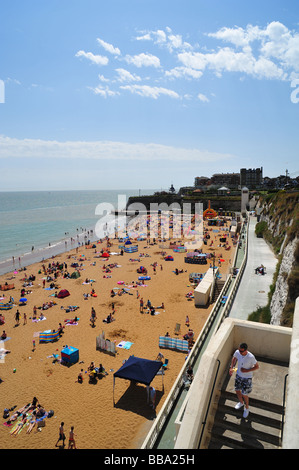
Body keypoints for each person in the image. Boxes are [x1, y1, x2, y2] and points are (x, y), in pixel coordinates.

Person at [229, 342, 259, 418]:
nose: (240, 352)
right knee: (237, 390)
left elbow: (257, 366)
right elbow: (234, 358)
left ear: (246, 350)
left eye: (241, 351)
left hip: (247, 378)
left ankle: (247, 408)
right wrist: (231, 367)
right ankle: (241, 403)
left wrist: (246, 370)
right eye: (239, 350)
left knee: (244, 394)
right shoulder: (237, 352)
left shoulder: (251, 357)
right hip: (239, 375)